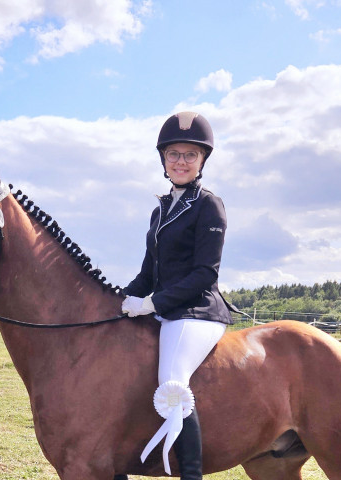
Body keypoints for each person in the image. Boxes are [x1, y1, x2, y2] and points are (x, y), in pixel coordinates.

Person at [122, 112, 236, 480]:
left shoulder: (209, 205)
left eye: (190, 155)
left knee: (172, 379)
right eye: (174, 154)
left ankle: (191, 474)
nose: (181, 161)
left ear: (202, 161)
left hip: (197, 312)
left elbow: (205, 273)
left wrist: (152, 304)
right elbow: (146, 274)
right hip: (165, 310)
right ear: (164, 160)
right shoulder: (160, 210)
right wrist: (117, 302)